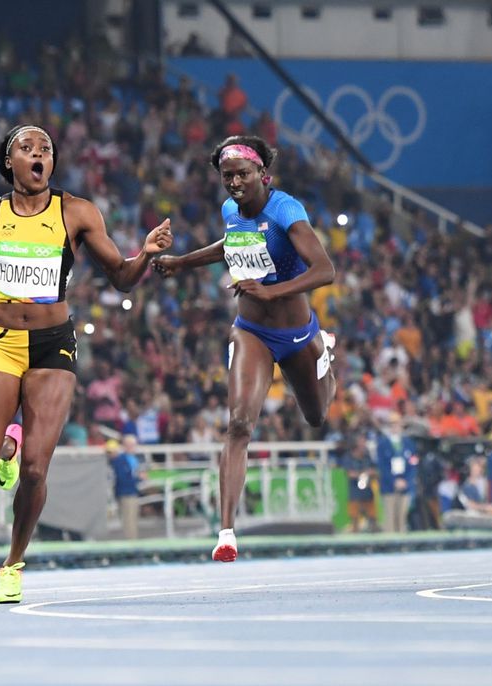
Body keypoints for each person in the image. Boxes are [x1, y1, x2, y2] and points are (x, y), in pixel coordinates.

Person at [0, 124, 172, 603]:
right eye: (26, 148)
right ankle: (7, 445)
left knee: (35, 472)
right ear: (9, 162)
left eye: (45, 149)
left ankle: (12, 563)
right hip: (0, 343)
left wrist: (144, 254)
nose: (37, 154)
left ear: (53, 162)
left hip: (53, 346)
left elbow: (122, 278)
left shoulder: (76, 212)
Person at [153, 135, 337, 562]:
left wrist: (275, 293)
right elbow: (230, 246)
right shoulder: (230, 211)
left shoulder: (286, 210)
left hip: (296, 334)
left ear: (262, 174)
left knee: (316, 416)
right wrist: (183, 263)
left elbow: (325, 269)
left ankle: (326, 351)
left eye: (242, 174)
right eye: (227, 175)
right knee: (238, 424)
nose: (234, 182)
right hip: (250, 329)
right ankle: (226, 533)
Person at [375, 411, 416, 534]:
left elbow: (413, 463)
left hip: (405, 485)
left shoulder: (409, 443)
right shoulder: (382, 444)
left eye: (397, 424)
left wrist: (406, 480)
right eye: (392, 424)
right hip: (389, 485)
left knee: (402, 517)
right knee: (390, 516)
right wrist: (394, 480)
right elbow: (382, 466)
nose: (395, 427)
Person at [107, 435, 144, 539]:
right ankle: (131, 543)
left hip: (132, 491)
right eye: (131, 445)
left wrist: (139, 478)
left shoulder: (133, 459)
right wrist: (138, 478)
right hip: (126, 493)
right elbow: (123, 478)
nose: (133, 448)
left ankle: (132, 541)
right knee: (128, 520)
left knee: (132, 519)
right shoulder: (120, 460)